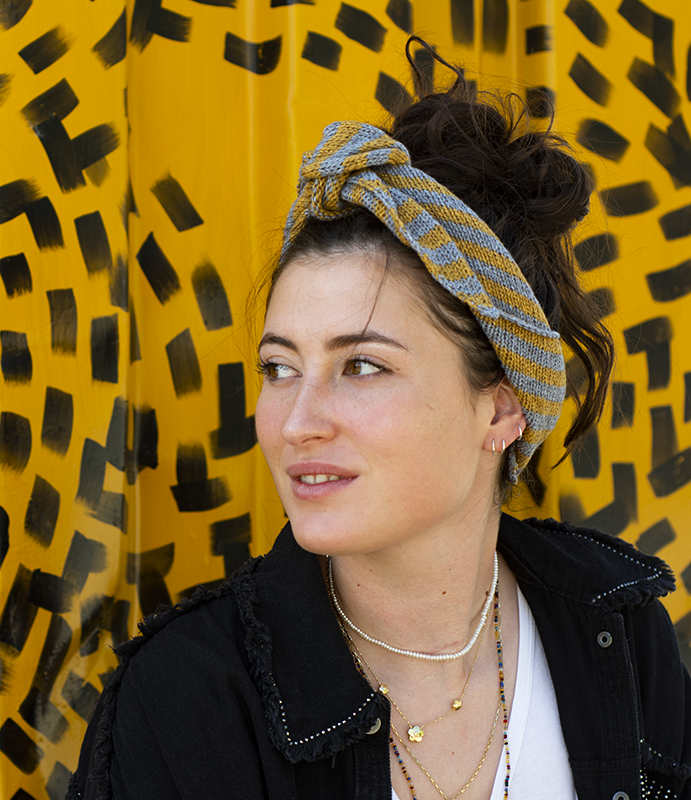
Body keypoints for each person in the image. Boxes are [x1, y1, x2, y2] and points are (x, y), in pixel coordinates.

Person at [67, 39, 691, 800]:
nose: (297, 423)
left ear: (502, 406)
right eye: (279, 368)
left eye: (362, 365)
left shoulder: (619, 635)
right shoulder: (187, 700)